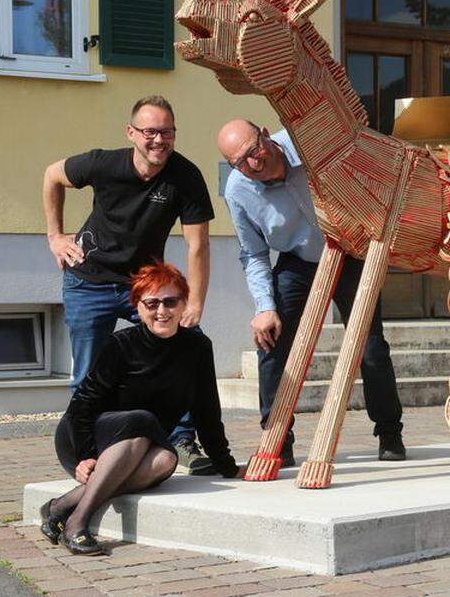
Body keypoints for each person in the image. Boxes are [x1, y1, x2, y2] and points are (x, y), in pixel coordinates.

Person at [217, 120, 406, 465]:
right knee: (270, 340)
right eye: (241, 162)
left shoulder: (307, 141)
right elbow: (254, 253)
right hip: (298, 260)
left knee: (370, 347)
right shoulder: (238, 190)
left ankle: (389, 431)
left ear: (264, 135)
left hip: (352, 252)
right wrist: (264, 307)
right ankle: (277, 439)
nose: (254, 164)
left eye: (254, 150)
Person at [42, 96, 215, 473]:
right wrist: (55, 235)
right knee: (88, 374)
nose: (158, 140)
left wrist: (194, 303)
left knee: (181, 351)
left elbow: (197, 244)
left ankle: (183, 439)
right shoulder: (103, 164)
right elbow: (52, 175)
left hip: (144, 286)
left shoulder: (186, 176)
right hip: (89, 280)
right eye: (150, 131)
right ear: (132, 133)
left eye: (166, 132)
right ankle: (85, 454)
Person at [42, 263, 239, 555]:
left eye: (170, 301)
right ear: (138, 306)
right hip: (87, 439)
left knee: (166, 461)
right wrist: (85, 456)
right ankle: (77, 523)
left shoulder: (197, 347)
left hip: (139, 445)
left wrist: (226, 464)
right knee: (142, 421)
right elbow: (82, 405)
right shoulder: (121, 345)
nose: (162, 311)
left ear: (184, 303)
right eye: (152, 303)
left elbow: (206, 408)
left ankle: (62, 504)